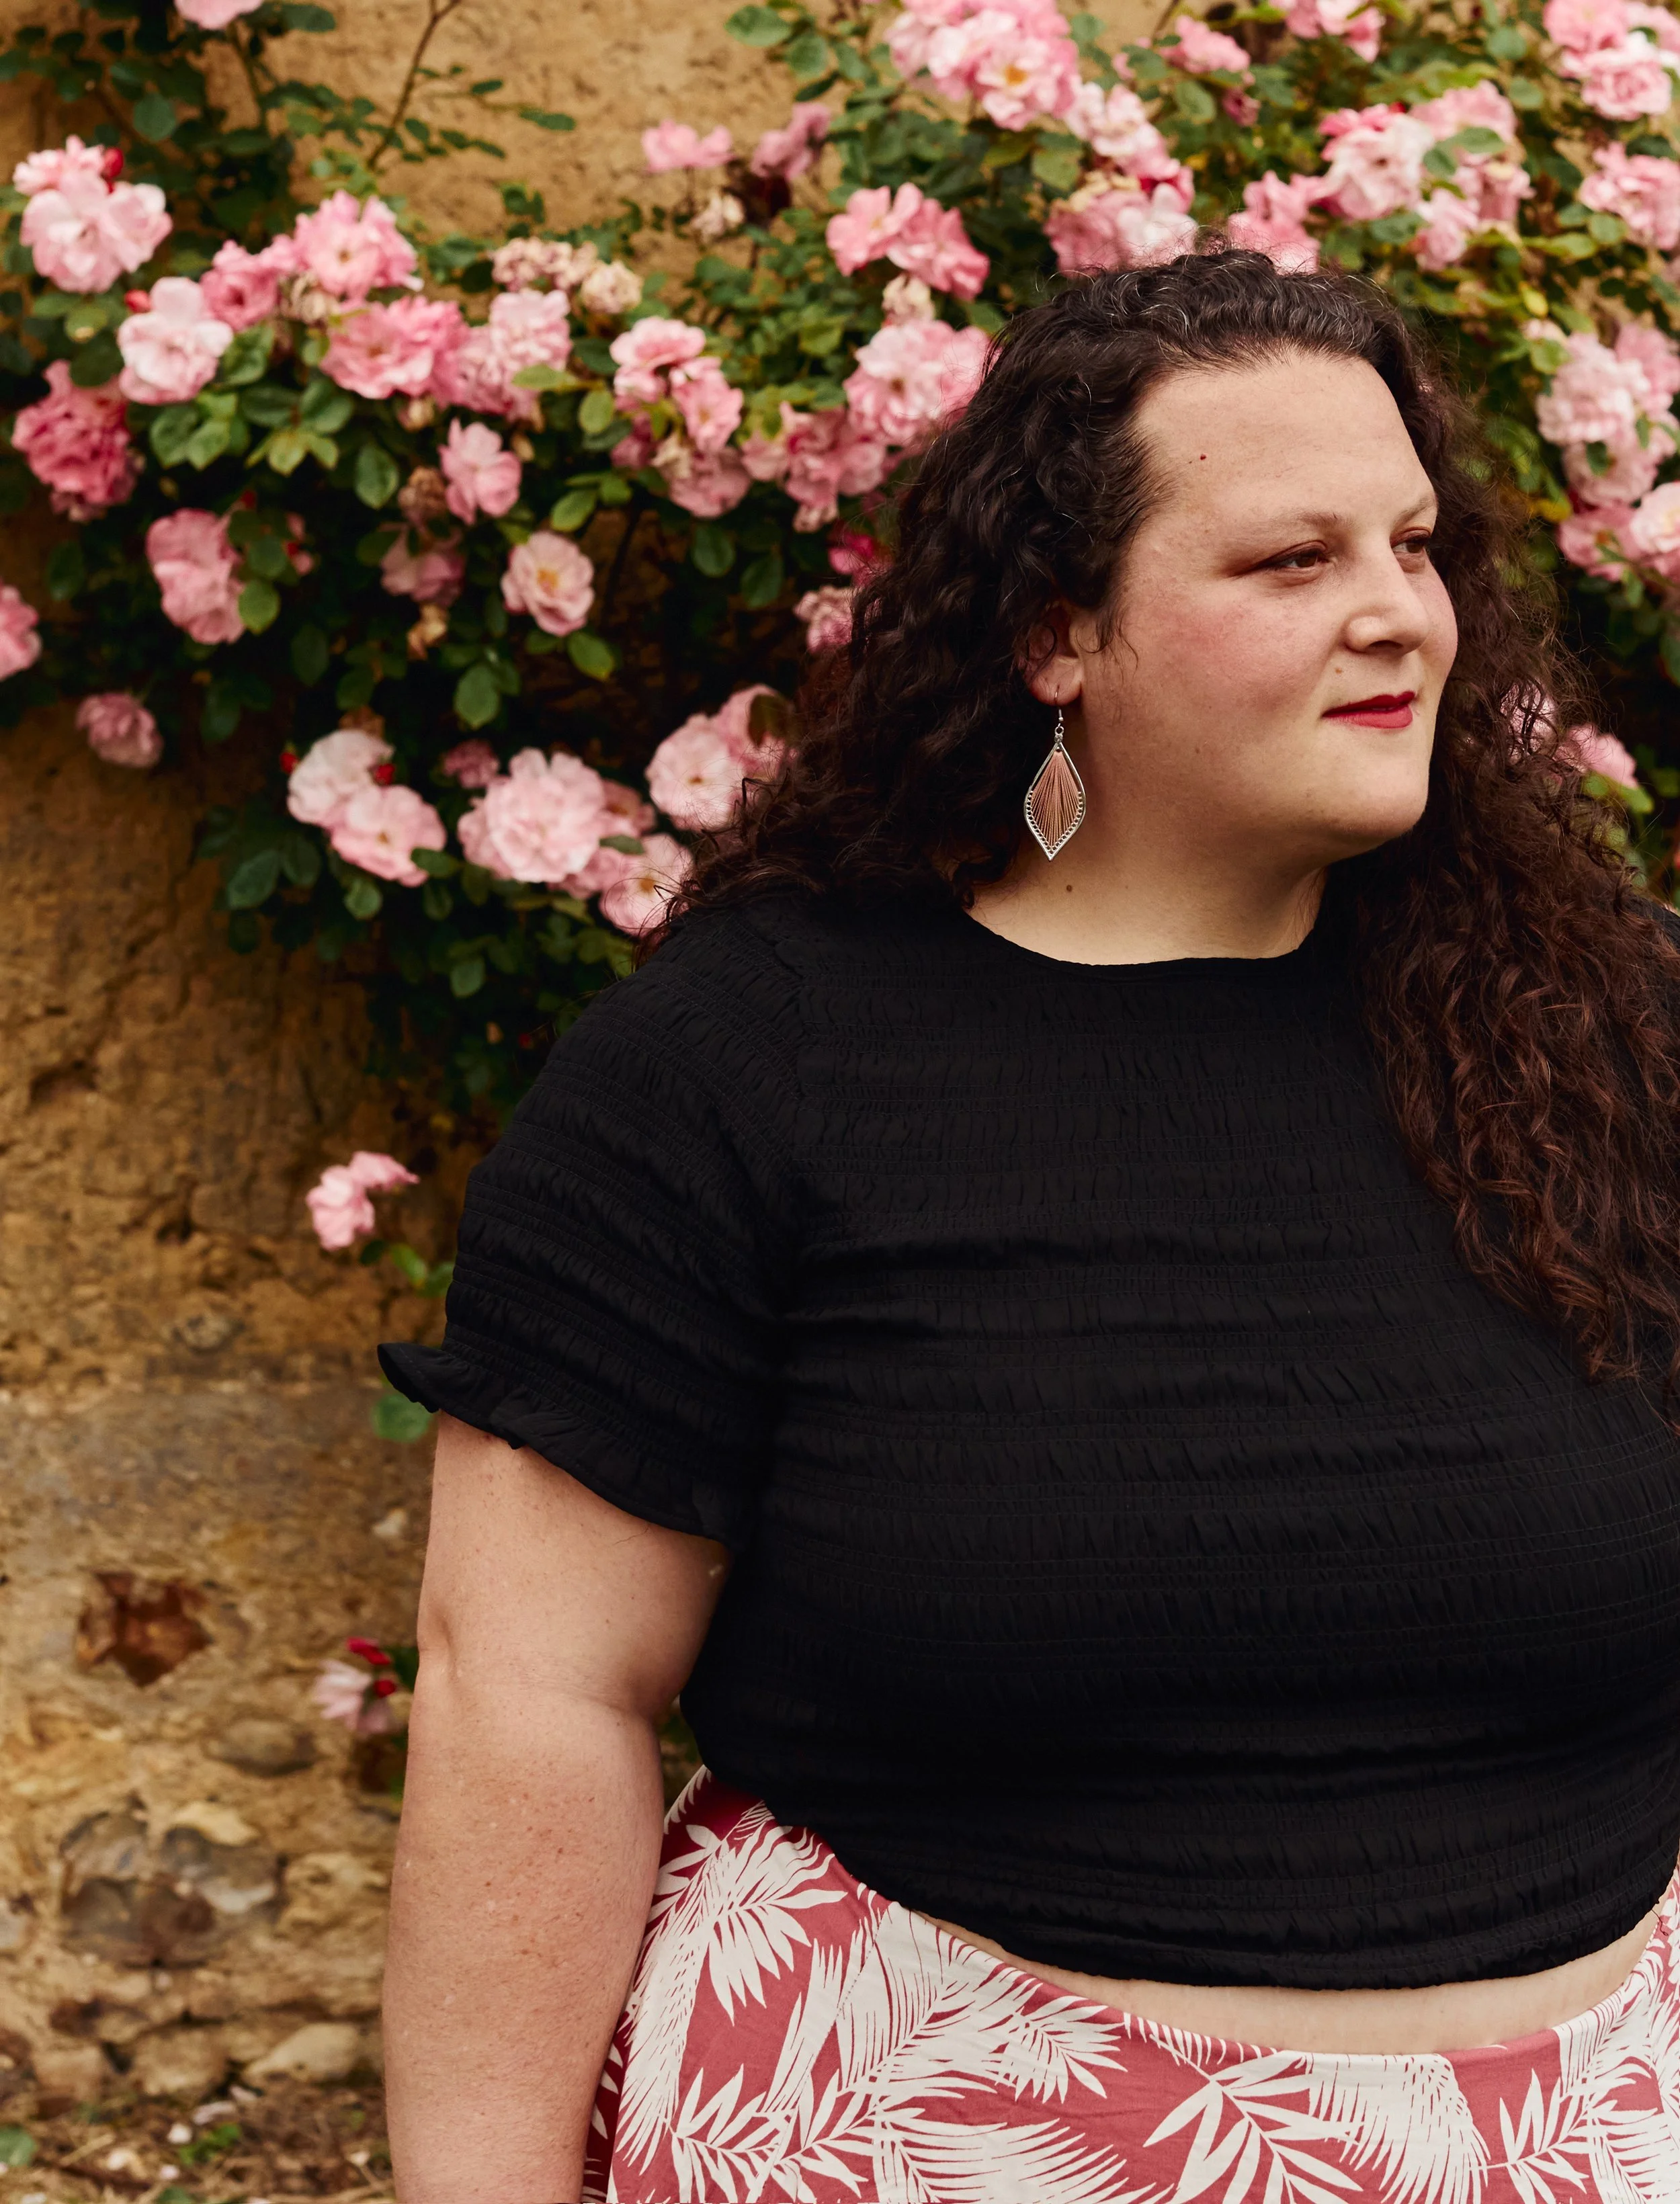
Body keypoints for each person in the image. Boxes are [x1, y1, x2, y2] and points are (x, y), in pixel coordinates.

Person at [378, 249, 1680, 2204]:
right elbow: (531, 1696)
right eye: (1286, 562)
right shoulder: (747, 1069)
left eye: (1410, 545)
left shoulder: (1603, 1032)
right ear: (1059, 632)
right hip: (932, 2140)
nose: (1394, 613)